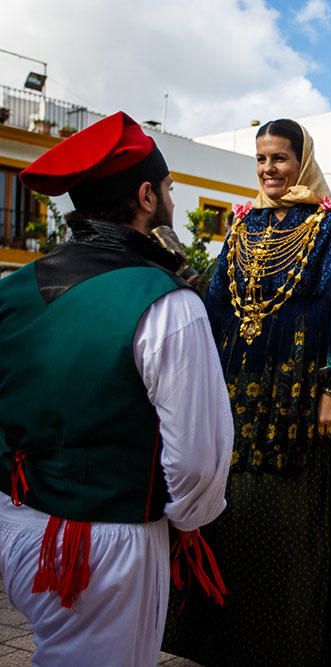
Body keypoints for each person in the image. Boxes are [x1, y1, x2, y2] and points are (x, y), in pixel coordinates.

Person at [165, 119, 331, 664]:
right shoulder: (242, 226)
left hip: (307, 397)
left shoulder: (330, 230)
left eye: (278, 158)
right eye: (260, 159)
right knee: (235, 507)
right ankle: (227, 636)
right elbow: (216, 308)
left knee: (298, 515)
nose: (268, 170)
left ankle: (303, 639)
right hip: (244, 395)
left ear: (301, 161)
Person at [0, 112, 232, 666]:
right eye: (171, 191)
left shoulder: (10, 292)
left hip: (15, 523)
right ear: (147, 196)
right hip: (105, 544)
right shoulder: (167, 302)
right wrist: (187, 521)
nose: (173, 203)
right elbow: (198, 461)